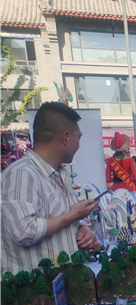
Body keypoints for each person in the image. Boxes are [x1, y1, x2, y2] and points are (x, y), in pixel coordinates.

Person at [1, 102, 98, 273]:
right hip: (34, 286)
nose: (79, 144)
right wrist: (70, 217)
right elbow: (24, 231)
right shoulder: (22, 174)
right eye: (79, 137)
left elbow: (61, 217)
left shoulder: (59, 174)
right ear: (65, 137)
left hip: (64, 281)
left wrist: (81, 228)